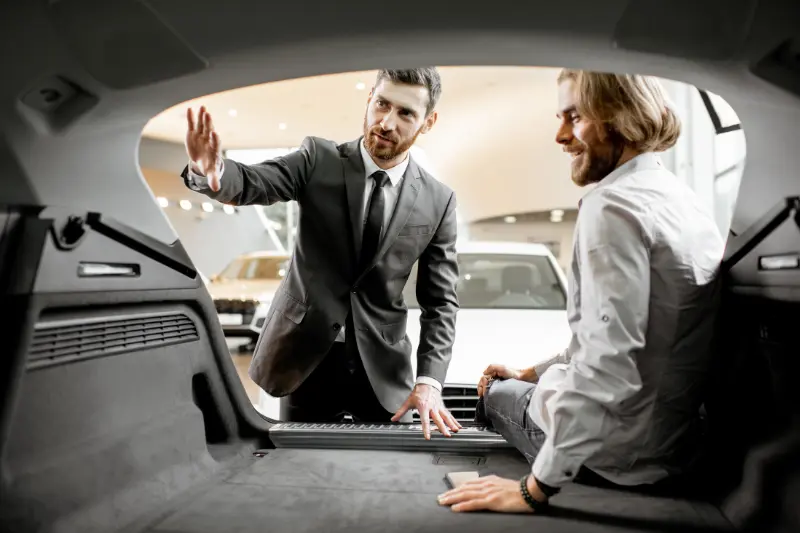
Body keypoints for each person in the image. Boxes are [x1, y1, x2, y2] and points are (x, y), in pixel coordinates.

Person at [437, 69, 725, 513]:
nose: (560, 135)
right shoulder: (684, 202)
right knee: (524, 380)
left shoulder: (612, 205)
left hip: (611, 458)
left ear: (623, 116)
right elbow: (618, 338)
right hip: (672, 445)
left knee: (494, 393)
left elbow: (605, 366)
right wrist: (532, 371)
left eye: (575, 117)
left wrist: (532, 491)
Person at [181, 67, 462, 439]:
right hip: (304, 360)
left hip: (382, 369)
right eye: (381, 104)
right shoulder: (318, 159)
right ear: (369, 101)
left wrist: (429, 382)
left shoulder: (438, 200)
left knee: (385, 476)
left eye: (405, 113)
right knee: (297, 469)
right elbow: (255, 181)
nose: (386, 122)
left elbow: (440, 302)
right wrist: (212, 172)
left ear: (428, 122)